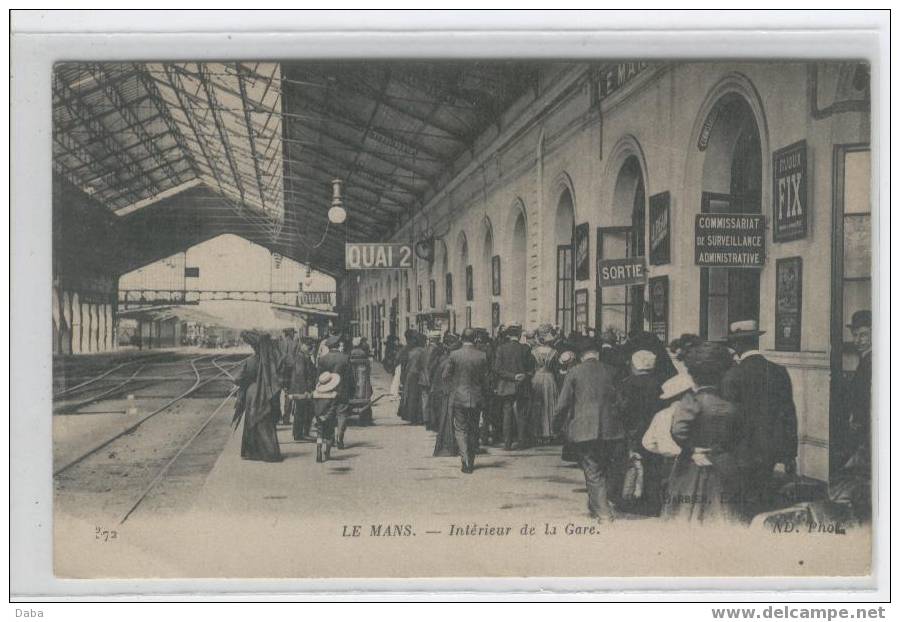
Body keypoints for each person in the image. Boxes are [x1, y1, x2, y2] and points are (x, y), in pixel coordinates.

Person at [721, 320, 798, 521]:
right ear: (756, 341)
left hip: (741, 451)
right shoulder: (778, 371)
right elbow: (789, 414)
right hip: (771, 449)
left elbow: (729, 418)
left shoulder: (732, 376)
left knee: (743, 501)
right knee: (765, 496)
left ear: (737, 346)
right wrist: (790, 453)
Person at [663, 342, 743, 524]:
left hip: (691, 467)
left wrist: (692, 450)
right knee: (722, 514)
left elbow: (678, 430)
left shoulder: (692, 401)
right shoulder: (730, 406)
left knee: (686, 515)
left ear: (693, 375)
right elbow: (738, 435)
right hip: (723, 464)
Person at [553, 335, 625, 523]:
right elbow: (621, 402)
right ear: (598, 352)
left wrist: (556, 425)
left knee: (593, 471)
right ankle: (597, 504)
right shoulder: (612, 371)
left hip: (584, 429)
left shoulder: (574, 372)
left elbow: (562, 404)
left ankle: (604, 513)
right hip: (611, 429)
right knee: (605, 468)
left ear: (580, 354)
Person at [619, 350, 665, 516]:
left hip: (631, 430)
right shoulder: (658, 384)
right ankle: (652, 503)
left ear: (635, 365)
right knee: (653, 466)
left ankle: (629, 500)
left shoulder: (627, 383)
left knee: (631, 465)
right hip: (652, 429)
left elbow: (622, 408)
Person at [232, 330, 283, 463]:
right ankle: (270, 452)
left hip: (252, 394)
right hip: (266, 394)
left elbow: (238, 378)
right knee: (266, 423)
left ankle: (252, 452)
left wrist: (239, 382)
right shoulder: (270, 362)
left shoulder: (250, 361)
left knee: (252, 422)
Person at [443, 328, 489, 473]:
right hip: (476, 397)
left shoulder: (454, 355)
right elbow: (486, 379)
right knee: (474, 428)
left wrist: (454, 385)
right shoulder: (482, 356)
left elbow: (445, 375)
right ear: (476, 339)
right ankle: (472, 458)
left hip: (459, 396)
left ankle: (465, 460)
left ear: (462, 339)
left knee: (461, 429)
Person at [492, 324, 535, 450]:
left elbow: (497, 369)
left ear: (509, 335)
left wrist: (512, 376)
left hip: (506, 385)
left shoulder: (501, 349)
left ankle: (507, 443)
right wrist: (522, 376)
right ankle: (521, 441)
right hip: (522, 385)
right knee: (521, 413)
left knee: (507, 413)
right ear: (518, 335)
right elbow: (531, 369)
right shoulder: (525, 349)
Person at [316, 335, 355, 449]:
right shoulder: (345, 358)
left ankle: (330, 439)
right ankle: (340, 438)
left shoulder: (323, 359)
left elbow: (319, 377)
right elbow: (350, 376)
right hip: (342, 390)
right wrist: (352, 389)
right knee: (342, 413)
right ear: (338, 345)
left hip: (327, 391)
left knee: (329, 414)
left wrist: (318, 390)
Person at [529, 325, 559, 445]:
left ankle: (537, 433)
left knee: (538, 405)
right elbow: (556, 368)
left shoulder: (533, 352)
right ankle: (550, 432)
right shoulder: (554, 352)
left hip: (536, 378)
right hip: (549, 378)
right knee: (550, 404)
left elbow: (531, 367)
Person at [432, 333, 461, 457]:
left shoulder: (444, 360)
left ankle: (450, 445)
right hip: (451, 393)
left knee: (447, 420)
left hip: (446, 393)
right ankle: (453, 446)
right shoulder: (449, 361)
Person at [287, 337, 316, 441]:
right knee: (303, 411)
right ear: (302, 345)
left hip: (302, 389)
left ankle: (299, 433)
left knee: (302, 411)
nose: (310, 347)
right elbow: (300, 374)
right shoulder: (301, 357)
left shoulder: (304, 356)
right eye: (308, 345)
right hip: (302, 389)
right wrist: (306, 390)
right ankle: (301, 433)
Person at [310, 371, 341, 462]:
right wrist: (327, 416)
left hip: (318, 417)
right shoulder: (333, 395)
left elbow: (313, 406)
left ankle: (318, 452)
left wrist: (315, 416)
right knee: (329, 435)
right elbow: (333, 408)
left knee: (319, 435)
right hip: (329, 418)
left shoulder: (315, 394)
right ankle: (327, 452)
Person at [419, 330, 442, 431]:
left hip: (423, 378)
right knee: (432, 401)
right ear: (436, 339)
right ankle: (432, 422)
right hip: (431, 379)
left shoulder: (424, 349)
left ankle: (426, 420)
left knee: (425, 401)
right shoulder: (436, 350)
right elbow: (432, 366)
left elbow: (421, 364)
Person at [400, 333, 426, 424]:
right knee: (419, 397)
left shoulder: (410, 352)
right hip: (419, 375)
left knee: (410, 396)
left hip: (410, 375)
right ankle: (419, 417)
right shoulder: (423, 351)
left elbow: (404, 365)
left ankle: (411, 417)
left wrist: (403, 378)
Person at [349, 337, 374, 426]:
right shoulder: (363, 353)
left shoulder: (351, 353)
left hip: (354, 377)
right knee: (364, 391)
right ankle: (366, 416)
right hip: (362, 376)